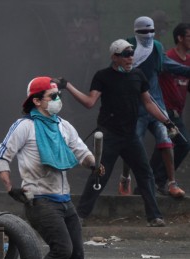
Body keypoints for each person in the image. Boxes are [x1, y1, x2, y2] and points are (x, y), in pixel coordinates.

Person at [0, 76, 99, 259]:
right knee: (62, 249)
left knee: (76, 255)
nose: (58, 100)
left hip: (64, 200)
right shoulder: (24, 126)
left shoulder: (63, 126)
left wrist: (93, 164)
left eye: (57, 95)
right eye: (53, 96)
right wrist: (10, 188)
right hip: (39, 200)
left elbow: (82, 152)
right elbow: (1, 158)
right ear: (37, 100)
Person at [61, 39, 175, 227]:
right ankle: (80, 215)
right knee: (99, 174)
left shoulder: (138, 76)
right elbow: (90, 102)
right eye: (125, 55)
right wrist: (68, 86)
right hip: (109, 135)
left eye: (131, 54)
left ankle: (154, 216)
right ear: (114, 57)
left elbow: (148, 103)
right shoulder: (103, 76)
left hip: (130, 136)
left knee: (145, 174)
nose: (130, 57)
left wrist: (167, 122)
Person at [118, 16, 190, 198]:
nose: (147, 35)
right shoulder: (128, 46)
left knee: (167, 142)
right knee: (132, 143)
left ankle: (170, 183)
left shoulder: (157, 48)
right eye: (143, 32)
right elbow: (117, 72)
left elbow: (169, 65)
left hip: (156, 103)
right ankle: (126, 178)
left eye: (151, 31)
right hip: (136, 107)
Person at [154, 23, 190, 194]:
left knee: (163, 146)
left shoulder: (189, 60)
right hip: (165, 109)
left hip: (178, 110)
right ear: (180, 38)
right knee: (182, 143)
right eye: (189, 36)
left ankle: (149, 183)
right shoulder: (167, 57)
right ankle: (161, 180)